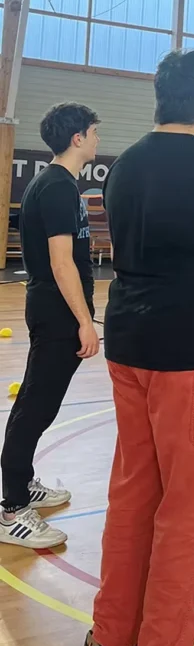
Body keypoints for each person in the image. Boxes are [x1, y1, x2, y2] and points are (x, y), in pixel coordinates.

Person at [86, 50, 194, 646]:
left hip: (130, 345)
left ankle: (112, 637)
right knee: (191, 514)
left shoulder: (124, 165)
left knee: (134, 496)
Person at [0, 103, 101, 550]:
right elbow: (62, 265)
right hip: (57, 311)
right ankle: (11, 508)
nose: (98, 139)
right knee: (36, 406)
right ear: (77, 137)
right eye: (94, 131)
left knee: (38, 403)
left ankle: (22, 484)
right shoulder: (57, 187)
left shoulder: (58, 184)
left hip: (52, 308)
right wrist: (85, 321)